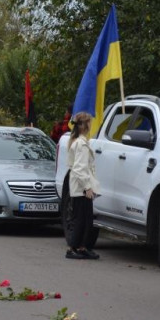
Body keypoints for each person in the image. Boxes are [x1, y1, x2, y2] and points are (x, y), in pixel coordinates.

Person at [65, 111, 101, 260]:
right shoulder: (81, 144)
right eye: (90, 123)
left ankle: (81, 247)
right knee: (81, 219)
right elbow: (80, 168)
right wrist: (87, 187)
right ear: (85, 125)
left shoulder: (79, 142)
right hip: (81, 188)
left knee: (85, 219)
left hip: (80, 186)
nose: (91, 125)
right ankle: (73, 248)